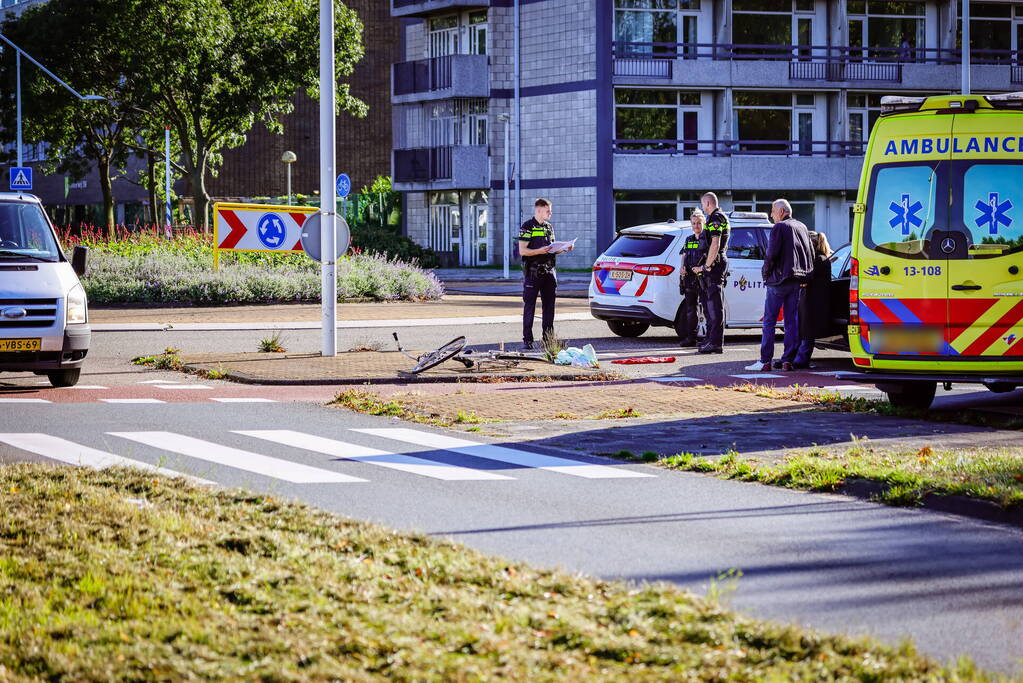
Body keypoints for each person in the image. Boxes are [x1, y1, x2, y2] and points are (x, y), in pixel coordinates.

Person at [744, 198, 813, 372]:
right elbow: (809, 253)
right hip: (796, 280)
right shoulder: (802, 227)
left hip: (779, 281)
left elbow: (771, 253)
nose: (771, 215)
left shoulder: (779, 227)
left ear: (781, 212)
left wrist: (765, 274)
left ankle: (765, 361)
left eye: (773, 211)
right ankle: (787, 361)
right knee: (791, 322)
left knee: (769, 321)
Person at [518, 197, 571, 350]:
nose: (550, 213)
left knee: (549, 306)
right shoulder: (527, 227)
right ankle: (528, 339)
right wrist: (538, 251)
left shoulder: (549, 227)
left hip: (549, 272)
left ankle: (548, 339)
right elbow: (523, 251)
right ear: (539, 210)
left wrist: (565, 248)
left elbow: (552, 249)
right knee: (530, 306)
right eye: (548, 211)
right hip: (533, 273)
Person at [693, 192, 729, 354]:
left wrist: (706, 267)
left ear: (708, 203)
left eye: (702, 204)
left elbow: (715, 243)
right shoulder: (714, 218)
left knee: (715, 307)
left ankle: (715, 343)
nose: (702, 207)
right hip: (711, 265)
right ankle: (710, 339)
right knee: (708, 306)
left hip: (714, 266)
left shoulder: (716, 218)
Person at [793, 231, 834, 369]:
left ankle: (800, 359)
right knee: (806, 330)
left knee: (806, 331)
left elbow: (805, 277)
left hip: (810, 299)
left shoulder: (815, 260)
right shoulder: (822, 258)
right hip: (817, 299)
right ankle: (799, 358)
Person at [678, 208, 707, 347]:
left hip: (704, 278)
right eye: (694, 223)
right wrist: (682, 268)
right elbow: (684, 255)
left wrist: (701, 269)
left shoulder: (707, 239)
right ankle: (691, 338)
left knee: (708, 310)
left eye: (699, 223)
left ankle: (709, 338)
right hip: (690, 279)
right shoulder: (688, 239)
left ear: (704, 223)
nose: (696, 226)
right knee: (691, 310)